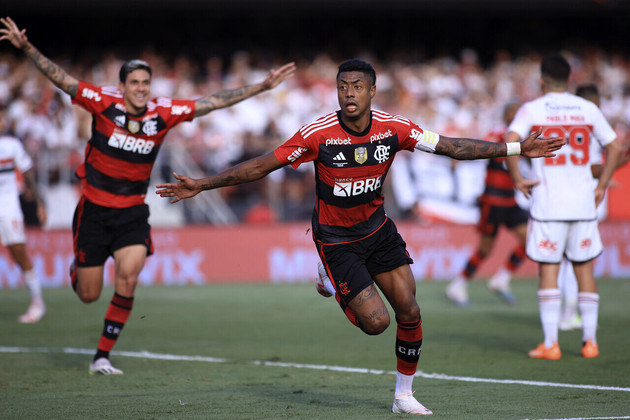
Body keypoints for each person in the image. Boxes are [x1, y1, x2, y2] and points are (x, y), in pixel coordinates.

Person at [156, 59, 563, 415]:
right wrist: (203, 184)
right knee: (377, 324)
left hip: (379, 230)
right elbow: (264, 164)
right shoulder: (318, 133)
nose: (348, 94)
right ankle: (329, 276)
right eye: (342, 87)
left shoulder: (395, 128)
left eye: (356, 87)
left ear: (372, 90)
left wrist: (515, 148)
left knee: (410, 310)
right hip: (336, 239)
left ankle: (403, 396)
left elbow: (453, 147)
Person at [1, 16, 296, 375]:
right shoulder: (101, 101)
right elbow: (61, 79)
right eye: (134, 82)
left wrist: (261, 87)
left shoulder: (163, 111)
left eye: (145, 82)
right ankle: (79, 271)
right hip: (94, 210)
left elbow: (212, 102)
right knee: (88, 293)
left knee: (127, 279)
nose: (140, 88)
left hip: (132, 213)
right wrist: (27, 47)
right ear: (122, 85)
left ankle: (102, 357)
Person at [505, 54, 622, 360]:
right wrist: (602, 184)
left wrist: (518, 178)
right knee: (584, 269)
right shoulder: (587, 108)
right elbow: (615, 147)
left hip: (549, 203)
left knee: (549, 271)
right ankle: (590, 341)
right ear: (570, 79)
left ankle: (551, 342)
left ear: (542, 80)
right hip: (583, 203)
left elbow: (511, 140)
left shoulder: (534, 108)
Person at [557, 83, 630, 331]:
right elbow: (589, 167)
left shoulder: (566, 125)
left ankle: (567, 314)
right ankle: (569, 315)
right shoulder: (588, 126)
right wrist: (607, 174)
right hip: (582, 199)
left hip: (562, 198)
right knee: (578, 260)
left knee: (568, 260)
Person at [445, 101, 528, 306]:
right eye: (512, 112)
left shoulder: (524, 138)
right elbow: (478, 148)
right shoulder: (498, 134)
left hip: (510, 199)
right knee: (485, 249)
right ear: (506, 115)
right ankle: (458, 284)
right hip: (492, 200)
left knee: (530, 240)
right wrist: (458, 158)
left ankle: (502, 279)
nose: (516, 116)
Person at [0, 106, 47, 323]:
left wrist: (39, 203)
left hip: (8, 207)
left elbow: (28, 174)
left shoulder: (11, 145)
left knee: (18, 253)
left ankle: (37, 302)